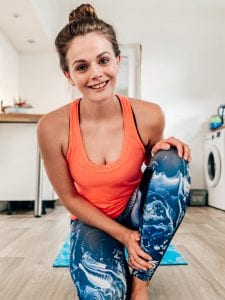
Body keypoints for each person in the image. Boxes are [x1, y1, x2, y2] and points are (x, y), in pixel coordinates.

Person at [37, 3, 191, 300]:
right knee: (103, 294)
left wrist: (164, 151)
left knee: (174, 162)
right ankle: (117, 257)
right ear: (68, 75)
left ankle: (141, 280)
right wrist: (124, 236)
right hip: (92, 220)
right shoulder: (51, 127)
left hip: (134, 211)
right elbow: (68, 198)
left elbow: (156, 178)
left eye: (103, 60)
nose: (96, 74)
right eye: (82, 66)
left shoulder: (148, 115)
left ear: (117, 61)